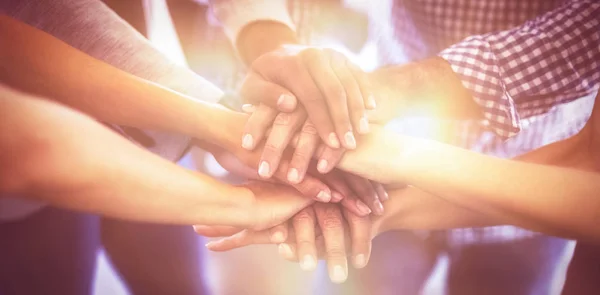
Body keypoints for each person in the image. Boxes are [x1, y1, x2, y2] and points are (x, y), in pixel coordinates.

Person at [214, 0, 599, 293]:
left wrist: (399, 104)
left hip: (536, 176)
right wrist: (280, 47)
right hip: (381, 164)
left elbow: (586, 167)